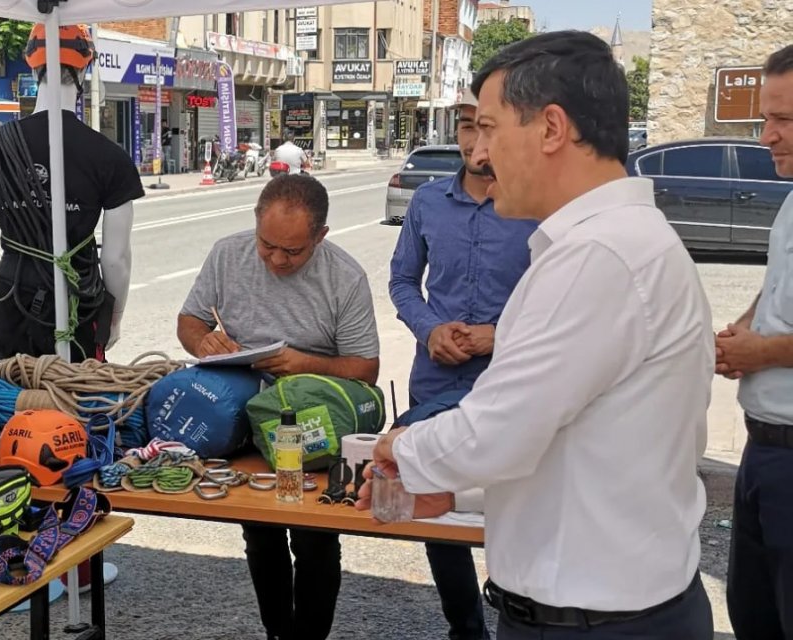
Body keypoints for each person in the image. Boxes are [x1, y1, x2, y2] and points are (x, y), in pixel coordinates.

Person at [367, 31, 715, 639]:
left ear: (551, 129)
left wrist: (401, 451)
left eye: (492, 128)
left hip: (595, 622)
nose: (479, 151)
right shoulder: (613, 241)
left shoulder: (598, 254)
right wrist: (450, 487)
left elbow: (500, 432)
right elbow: (569, 455)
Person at [178, 174, 381, 640]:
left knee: (314, 537)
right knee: (260, 530)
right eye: (267, 245)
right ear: (255, 222)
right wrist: (203, 340)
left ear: (320, 237)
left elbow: (365, 368)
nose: (276, 259)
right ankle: (277, 632)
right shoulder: (228, 254)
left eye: (292, 252)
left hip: (314, 423)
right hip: (246, 414)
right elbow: (189, 319)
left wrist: (301, 363)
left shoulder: (344, 277)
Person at [387, 92, 536, 640]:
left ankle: (516, 617)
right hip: (436, 378)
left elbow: (561, 300)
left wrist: (499, 335)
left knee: (510, 504)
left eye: (487, 128)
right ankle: (466, 627)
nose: (477, 142)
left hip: (513, 380)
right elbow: (403, 281)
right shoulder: (427, 202)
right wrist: (429, 330)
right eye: (468, 128)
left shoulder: (536, 204)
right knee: (436, 507)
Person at [0, 23, 143, 363]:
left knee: (10, 397)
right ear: (85, 66)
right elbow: (116, 259)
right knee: (75, 402)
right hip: (79, 299)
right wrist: (112, 319)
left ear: (32, 64)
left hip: (13, 294)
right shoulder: (108, 155)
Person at [714, 44, 793, 640]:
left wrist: (763, 353)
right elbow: (778, 290)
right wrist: (746, 324)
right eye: (765, 119)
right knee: (755, 615)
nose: (767, 136)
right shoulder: (792, 199)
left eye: (785, 121)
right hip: (763, 448)